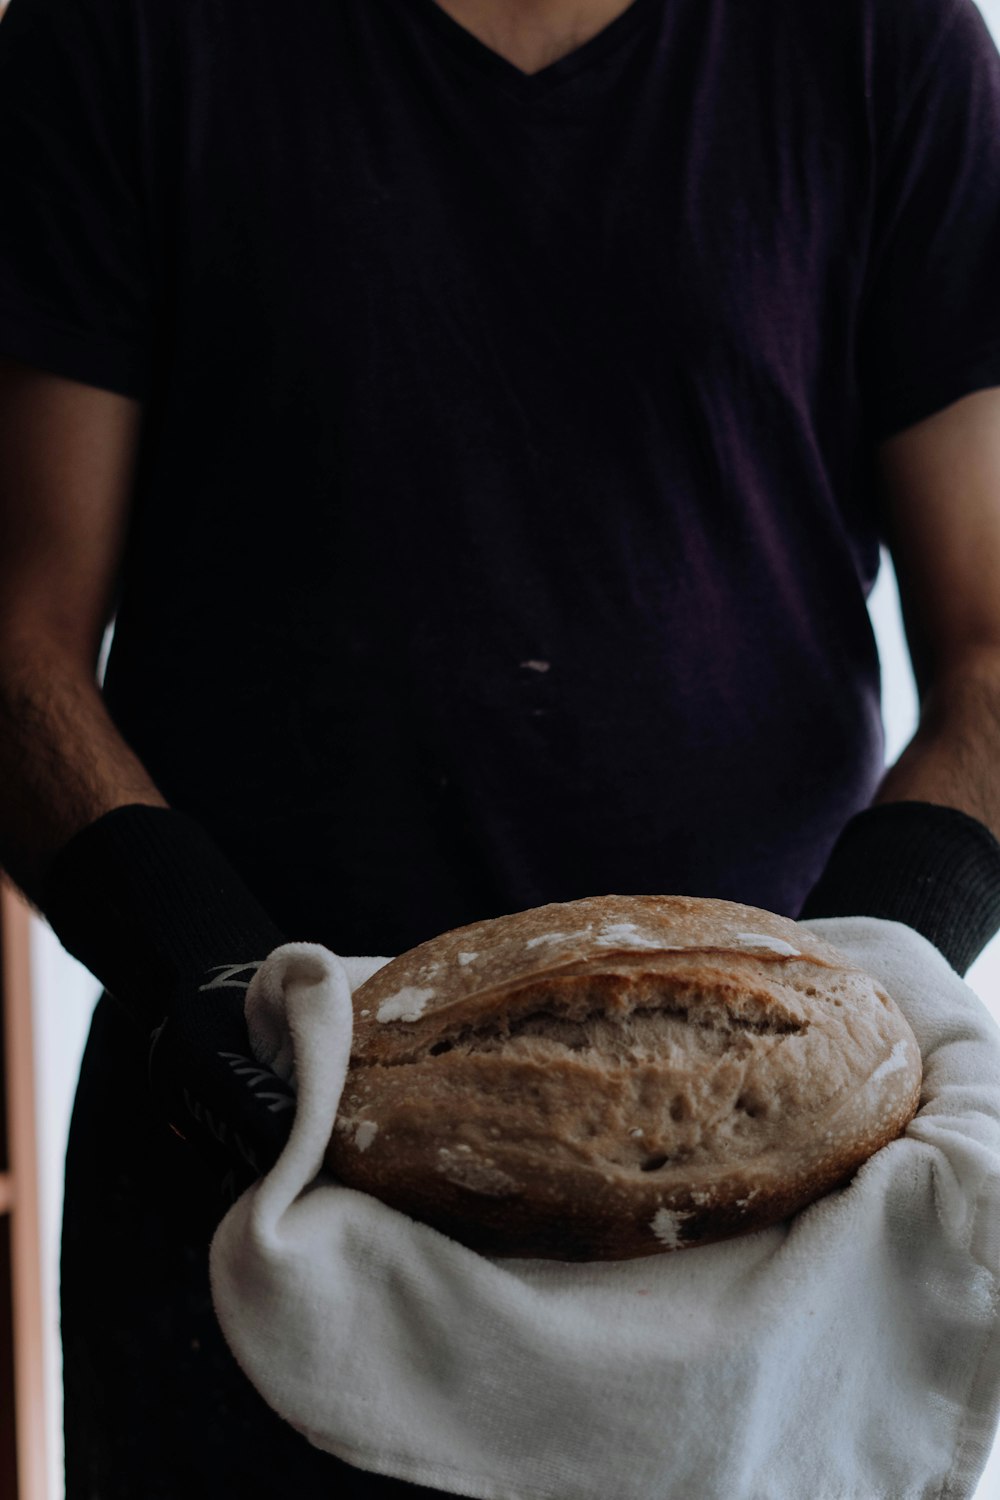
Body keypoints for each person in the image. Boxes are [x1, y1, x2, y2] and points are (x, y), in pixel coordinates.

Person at [1, 0, 1000, 1493]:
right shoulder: (123, 37)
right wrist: (218, 996)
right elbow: (17, 635)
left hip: (764, 1257)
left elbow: (991, 648)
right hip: (239, 1183)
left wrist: (858, 1003)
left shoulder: (881, 46)